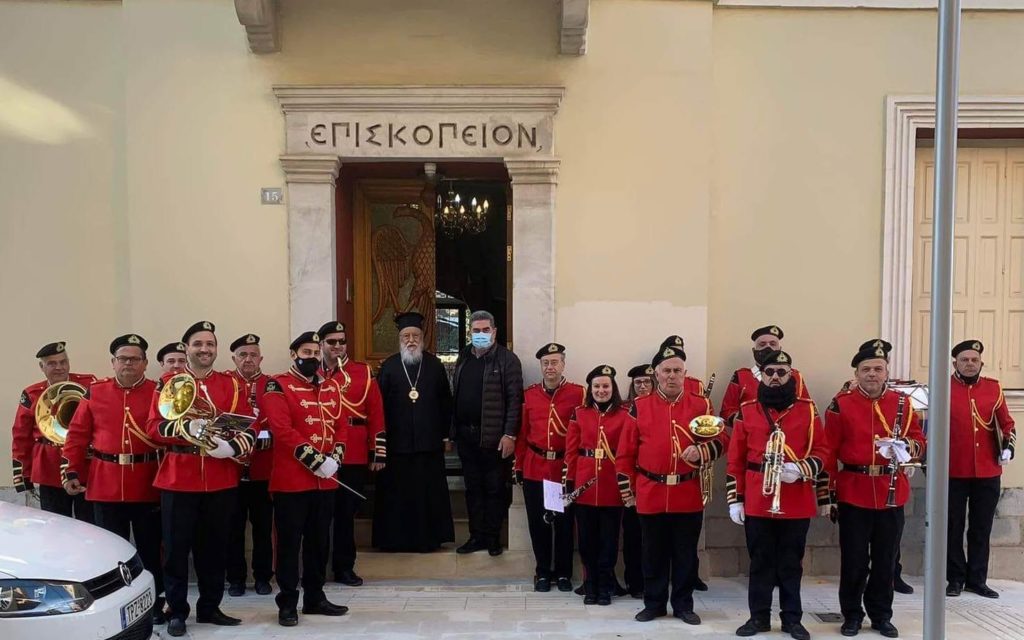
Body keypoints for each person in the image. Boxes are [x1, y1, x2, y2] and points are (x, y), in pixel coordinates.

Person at [146, 321, 256, 637]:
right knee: (177, 550)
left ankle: (210, 607)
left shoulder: (231, 385)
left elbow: (247, 425)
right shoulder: (168, 383)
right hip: (179, 477)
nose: (205, 349)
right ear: (186, 348)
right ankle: (178, 611)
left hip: (220, 477)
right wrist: (184, 430)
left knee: (214, 548)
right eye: (198, 344)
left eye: (210, 344)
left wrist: (231, 446)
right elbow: (153, 427)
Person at [616, 345, 726, 625]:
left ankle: (683, 605)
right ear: (656, 374)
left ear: (685, 374)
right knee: (652, 553)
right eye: (667, 371)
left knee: (685, 554)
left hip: (687, 493)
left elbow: (723, 439)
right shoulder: (640, 407)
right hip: (650, 492)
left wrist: (702, 452)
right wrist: (628, 493)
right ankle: (653, 604)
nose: (672, 376)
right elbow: (625, 455)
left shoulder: (700, 405)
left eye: (677, 370)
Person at [61, 334, 165, 624]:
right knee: (108, 553)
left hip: (147, 483)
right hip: (105, 485)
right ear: (113, 362)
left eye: (135, 358)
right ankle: (111, 606)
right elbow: (77, 436)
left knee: (149, 550)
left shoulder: (159, 392)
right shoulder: (96, 392)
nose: (128, 363)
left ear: (145, 363)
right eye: (123, 358)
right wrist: (72, 471)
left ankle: (154, 604)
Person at [825, 342, 926, 638]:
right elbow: (828, 451)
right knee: (854, 560)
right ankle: (852, 615)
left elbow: (921, 441)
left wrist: (905, 446)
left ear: (887, 372)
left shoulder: (902, 403)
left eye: (877, 369)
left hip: (890, 491)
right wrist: (828, 495)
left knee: (886, 560)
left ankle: (881, 615)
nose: (872, 374)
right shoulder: (841, 403)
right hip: (853, 490)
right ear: (856, 373)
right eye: (866, 369)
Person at [726, 351, 828, 640]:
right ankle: (758, 618)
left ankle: (792, 619)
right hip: (758, 498)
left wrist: (801, 468)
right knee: (759, 562)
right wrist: (735, 499)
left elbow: (823, 451)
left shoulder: (808, 410)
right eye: (769, 371)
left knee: (790, 563)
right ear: (761, 374)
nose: (775, 377)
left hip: (795, 497)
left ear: (791, 375)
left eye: (781, 372)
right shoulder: (747, 410)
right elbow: (736, 459)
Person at [262, 331, 349, 626]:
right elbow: (282, 429)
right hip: (292, 481)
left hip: (326, 481)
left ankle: (315, 597)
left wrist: (334, 458)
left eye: (315, 352)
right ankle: (287, 602)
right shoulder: (277, 385)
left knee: (319, 542)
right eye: (306, 352)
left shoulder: (332, 386)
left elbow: (341, 425)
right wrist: (315, 460)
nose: (311, 357)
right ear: (294, 354)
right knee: (289, 544)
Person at [373, 311, 455, 552]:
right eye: (406, 336)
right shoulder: (388, 367)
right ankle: (394, 541)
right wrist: (380, 443)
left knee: (426, 495)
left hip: (428, 444)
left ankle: (427, 541)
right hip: (396, 446)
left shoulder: (435, 365)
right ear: (400, 339)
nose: (411, 340)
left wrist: (445, 435)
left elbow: (445, 402)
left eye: (415, 335)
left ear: (422, 338)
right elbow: (379, 408)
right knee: (397, 496)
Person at [946, 339, 1016, 599]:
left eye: (974, 360)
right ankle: (954, 578)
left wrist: (1008, 447)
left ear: (981, 363)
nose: (969, 364)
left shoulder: (993, 388)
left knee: (981, 527)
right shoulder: (943, 388)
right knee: (952, 526)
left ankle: (977, 579)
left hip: (987, 470)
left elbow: (1007, 424)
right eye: (964, 360)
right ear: (955, 363)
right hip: (953, 470)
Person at [318, 320, 385, 587]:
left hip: (354, 452)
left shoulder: (362, 372)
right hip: (321, 452)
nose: (337, 346)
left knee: (346, 515)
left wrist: (377, 452)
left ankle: (345, 567)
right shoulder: (312, 373)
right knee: (320, 514)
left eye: (341, 341)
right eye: (331, 342)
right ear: (321, 344)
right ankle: (317, 568)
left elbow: (376, 413)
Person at [452, 310, 524, 556]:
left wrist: (510, 434)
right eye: (476, 330)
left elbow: (516, 400)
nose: (480, 334)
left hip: (495, 438)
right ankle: (476, 536)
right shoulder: (464, 357)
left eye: (485, 330)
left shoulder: (507, 360)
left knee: (494, 489)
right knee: (473, 489)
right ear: (469, 332)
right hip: (466, 436)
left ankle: (493, 537)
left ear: (494, 332)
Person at [516, 343, 586, 592]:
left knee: (564, 523)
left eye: (555, 362)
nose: (550, 367)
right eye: (546, 363)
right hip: (535, 467)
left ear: (563, 364)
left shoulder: (579, 394)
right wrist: (519, 465)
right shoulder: (530, 395)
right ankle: (543, 572)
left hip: (562, 469)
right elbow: (523, 433)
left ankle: (564, 573)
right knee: (539, 523)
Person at [564, 365, 632, 605]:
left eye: (606, 386)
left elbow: (628, 450)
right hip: (585, 486)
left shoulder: (625, 414)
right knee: (586, 540)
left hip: (612, 486)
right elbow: (571, 451)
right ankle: (590, 585)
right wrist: (569, 483)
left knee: (610, 541)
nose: (601, 390)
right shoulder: (579, 413)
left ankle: (605, 587)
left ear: (612, 388)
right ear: (590, 389)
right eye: (597, 386)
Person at [11, 340, 96, 520]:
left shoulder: (88, 384)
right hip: (50, 469)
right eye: (52, 363)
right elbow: (21, 436)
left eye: (63, 362)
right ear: (42, 367)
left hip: (84, 466)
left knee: (90, 526)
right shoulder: (32, 393)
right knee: (54, 525)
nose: (59, 367)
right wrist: (23, 475)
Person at [225, 333, 274, 597]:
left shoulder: (272, 384)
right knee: (233, 528)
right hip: (231, 469)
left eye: (253, 354)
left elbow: (277, 420)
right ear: (234, 358)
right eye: (243, 354)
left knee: (263, 529)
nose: (248, 359)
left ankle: (264, 576)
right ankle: (235, 578)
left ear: (260, 358)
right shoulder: (225, 383)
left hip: (262, 468)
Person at [720, 325, 812, 426]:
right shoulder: (741, 377)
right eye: (762, 344)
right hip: (752, 436)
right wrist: (746, 420)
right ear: (754, 351)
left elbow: (807, 410)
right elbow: (726, 412)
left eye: (773, 344)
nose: (768, 348)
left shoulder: (796, 376)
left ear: (780, 349)